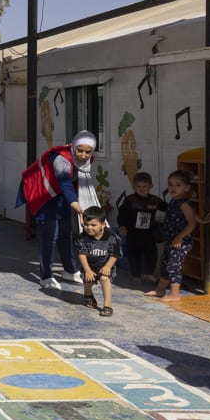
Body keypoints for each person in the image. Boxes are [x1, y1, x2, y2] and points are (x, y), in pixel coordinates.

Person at [20, 131, 98, 289]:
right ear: (74, 147)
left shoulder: (87, 160)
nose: (83, 155)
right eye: (80, 150)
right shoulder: (61, 159)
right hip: (45, 194)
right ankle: (46, 275)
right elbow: (65, 183)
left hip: (62, 196)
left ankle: (70, 269)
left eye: (88, 152)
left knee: (66, 232)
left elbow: (79, 182)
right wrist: (75, 204)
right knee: (50, 235)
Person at [145, 170, 202, 302]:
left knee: (173, 266)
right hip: (171, 239)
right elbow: (195, 216)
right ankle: (160, 290)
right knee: (165, 264)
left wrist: (179, 237)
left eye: (178, 185)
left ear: (186, 187)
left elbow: (191, 223)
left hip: (180, 241)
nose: (173, 188)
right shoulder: (174, 201)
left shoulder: (184, 203)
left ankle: (175, 294)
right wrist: (201, 218)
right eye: (170, 185)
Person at [117, 171, 165, 283]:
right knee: (134, 255)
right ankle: (136, 276)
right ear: (134, 187)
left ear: (150, 186)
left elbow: (167, 208)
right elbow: (122, 214)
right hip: (133, 233)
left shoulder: (155, 200)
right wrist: (122, 226)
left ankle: (149, 273)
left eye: (145, 186)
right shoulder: (130, 200)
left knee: (152, 254)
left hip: (149, 234)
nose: (142, 189)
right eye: (138, 186)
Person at [76, 206, 122, 317]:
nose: (89, 228)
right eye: (86, 225)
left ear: (103, 225)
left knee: (104, 279)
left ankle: (107, 305)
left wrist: (107, 267)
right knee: (88, 281)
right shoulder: (82, 238)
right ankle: (88, 294)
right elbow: (82, 255)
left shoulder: (112, 238)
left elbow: (115, 254)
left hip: (105, 264)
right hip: (89, 265)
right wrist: (87, 270)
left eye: (93, 225)